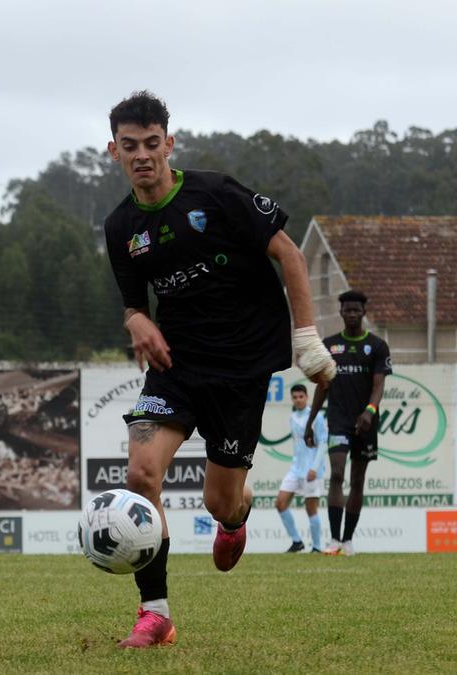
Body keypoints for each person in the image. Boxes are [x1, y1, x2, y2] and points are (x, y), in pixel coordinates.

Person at [102, 91, 335, 648]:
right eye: (130, 146)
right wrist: (135, 320)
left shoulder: (216, 192)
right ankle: (154, 614)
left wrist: (305, 337)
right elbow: (134, 302)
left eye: (152, 144)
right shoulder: (119, 227)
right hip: (174, 369)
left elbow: (292, 255)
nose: (142, 156)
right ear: (113, 151)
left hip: (241, 371)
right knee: (140, 475)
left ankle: (236, 518)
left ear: (169, 144)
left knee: (218, 502)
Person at [305, 289, 391, 556]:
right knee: (338, 474)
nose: (352, 314)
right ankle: (333, 540)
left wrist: (369, 412)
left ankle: (348, 540)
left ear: (364, 313)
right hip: (338, 420)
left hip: (365, 422)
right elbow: (322, 386)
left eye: (356, 310)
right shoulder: (329, 345)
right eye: (347, 310)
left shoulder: (377, 346)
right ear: (340, 312)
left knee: (357, 479)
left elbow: (379, 385)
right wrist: (310, 421)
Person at [276, 383, 329, 553]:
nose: (298, 400)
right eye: (295, 397)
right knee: (280, 503)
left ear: (307, 397)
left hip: (312, 470)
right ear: (292, 399)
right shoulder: (292, 417)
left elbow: (322, 443)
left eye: (301, 397)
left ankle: (317, 547)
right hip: (296, 469)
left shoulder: (317, 417)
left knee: (311, 509)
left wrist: (314, 467)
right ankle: (297, 541)